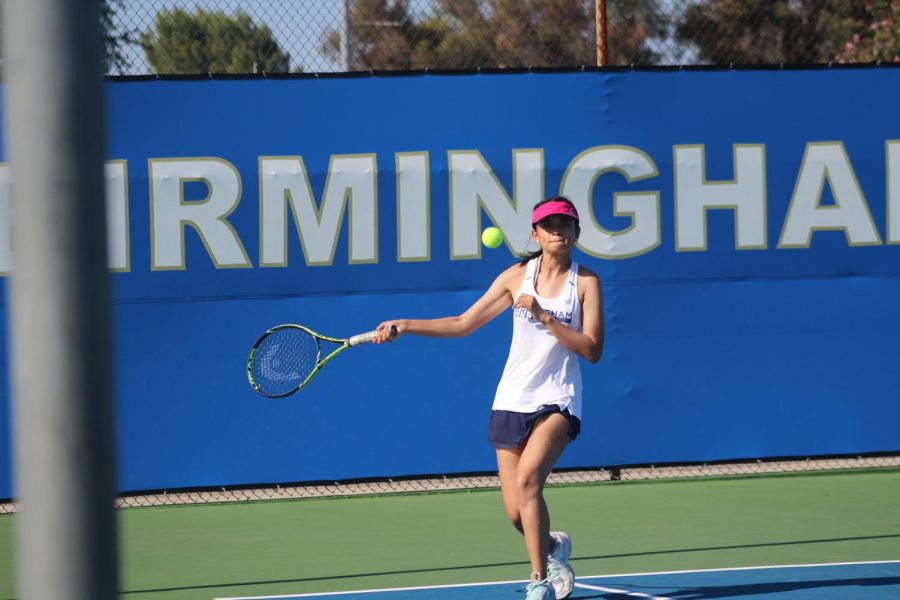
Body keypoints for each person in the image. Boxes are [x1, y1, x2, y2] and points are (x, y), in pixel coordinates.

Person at [374, 196, 604, 600]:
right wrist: (405, 324)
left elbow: (592, 349)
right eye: (549, 226)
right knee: (517, 513)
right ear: (535, 234)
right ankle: (552, 548)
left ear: (576, 233)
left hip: (558, 398)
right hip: (512, 398)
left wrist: (546, 318)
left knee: (530, 480)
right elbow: (463, 323)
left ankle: (538, 582)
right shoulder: (516, 277)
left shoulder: (585, 283)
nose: (558, 232)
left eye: (565, 226)